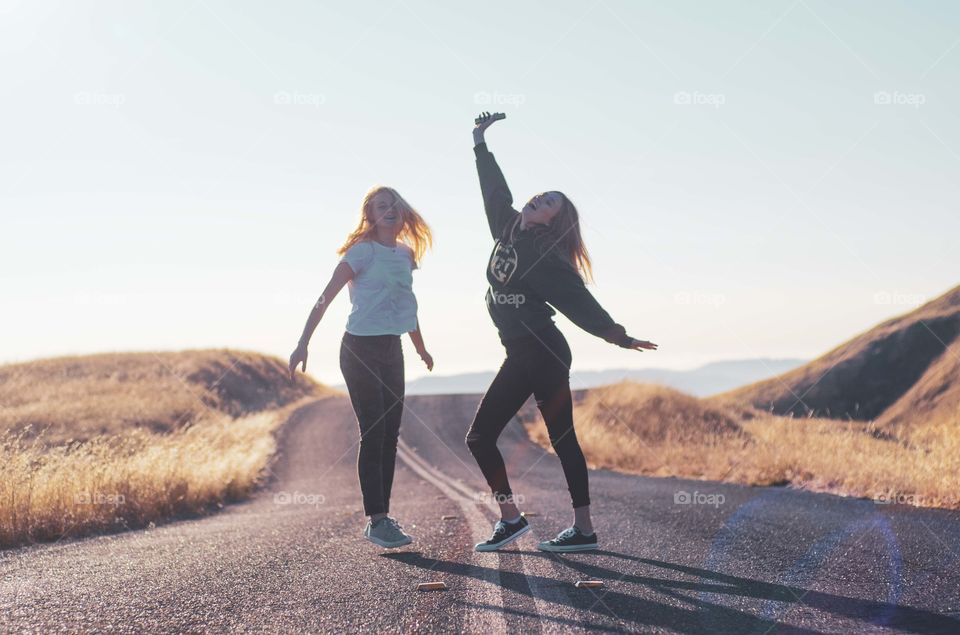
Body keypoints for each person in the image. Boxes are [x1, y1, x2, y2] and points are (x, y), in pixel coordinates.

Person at [466, 112, 658, 553]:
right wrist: (479, 143)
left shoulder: (544, 254)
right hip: (521, 351)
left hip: (541, 351)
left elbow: (577, 301)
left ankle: (564, 527)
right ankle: (525, 521)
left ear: (554, 221)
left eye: (550, 201)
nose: (540, 198)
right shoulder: (506, 228)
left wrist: (619, 336)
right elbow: (494, 190)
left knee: (539, 437)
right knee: (491, 437)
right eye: (541, 195)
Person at [289, 186, 434, 549]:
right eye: (381, 205)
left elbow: (406, 305)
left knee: (390, 433)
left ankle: (382, 518)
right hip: (359, 349)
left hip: (392, 347)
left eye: (394, 204)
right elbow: (325, 297)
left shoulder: (405, 254)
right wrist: (303, 342)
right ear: (370, 215)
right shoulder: (361, 252)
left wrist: (420, 348)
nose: (389, 209)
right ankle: (378, 519)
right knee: (374, 429)